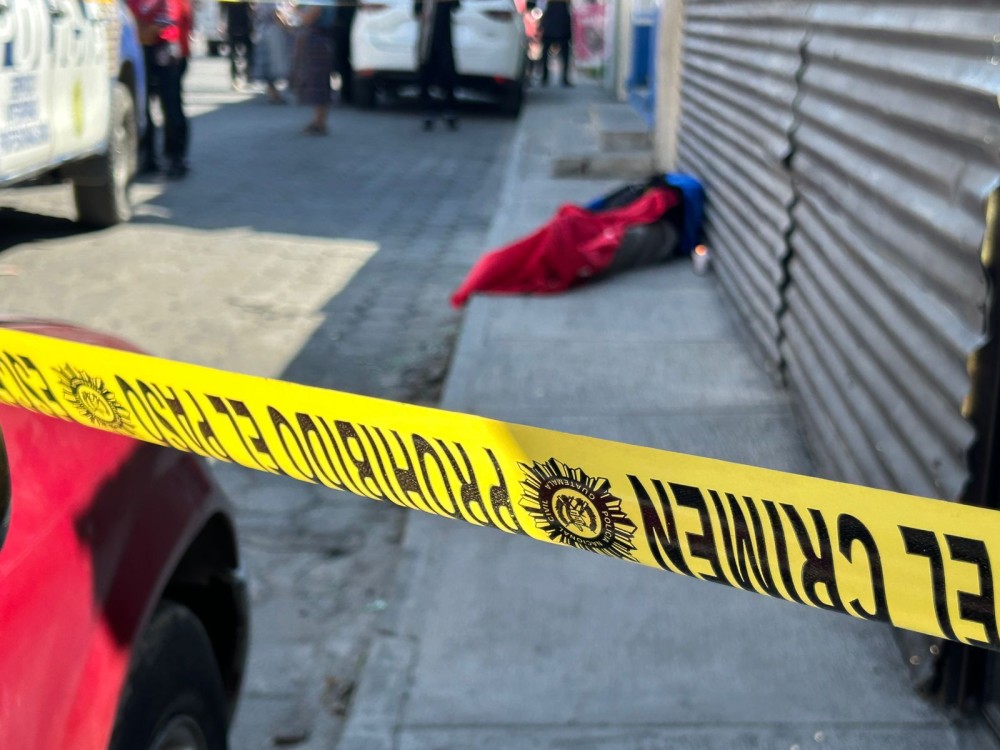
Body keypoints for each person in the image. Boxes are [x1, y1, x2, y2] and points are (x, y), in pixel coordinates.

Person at [129, 0, 192, 178]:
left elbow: (167, 19)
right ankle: (147, 158)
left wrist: (143, 32)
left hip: (165, 47)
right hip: (141, 48)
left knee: (171, 105)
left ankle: (175, 157)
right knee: (141, 106)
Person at [414, 0, 460, 131]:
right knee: (425, 74)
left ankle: (449, 109)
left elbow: (456, 6)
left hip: (443, 40)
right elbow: (417, 10)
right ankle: (428, 110)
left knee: (447, 74)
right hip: (427, 41)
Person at [291, 2, 336, 134]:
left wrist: (298, 11)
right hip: (319, 39)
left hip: (317, 40)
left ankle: (320, 121)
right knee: (317, 80)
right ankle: (319, 120)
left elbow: (309, 18)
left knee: (318, 81)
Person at [253, 1, 292, 103]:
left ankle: (273, 93)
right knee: (273, 62)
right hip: (273, 32)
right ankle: (273, 94)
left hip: (265, 30)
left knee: (269, 62)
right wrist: (287, 26)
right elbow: (276, 13)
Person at [539, 0, 572, 86]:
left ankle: (545, 77)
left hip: (551, 26)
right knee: (564, 55)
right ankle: (563, 78)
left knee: (546, 54)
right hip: (561, 26)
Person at [331, 0, 357, 104]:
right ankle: (346, 93)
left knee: (342, 61)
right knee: (341, 61)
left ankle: (347, 94)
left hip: (346, 25)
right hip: (342, 25)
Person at [225, 1, 254, 90]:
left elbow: (252, 8)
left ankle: (247, 75)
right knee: (234, 54)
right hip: (233, 26)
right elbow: (222, 8)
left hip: (245, 26)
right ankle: (236, 79)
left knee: (249, 52)